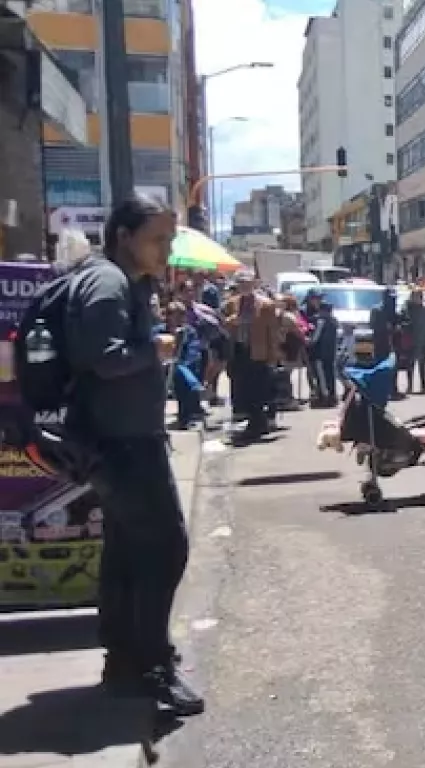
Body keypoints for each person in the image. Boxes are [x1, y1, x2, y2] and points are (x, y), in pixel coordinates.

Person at [66, 194, 203, 715]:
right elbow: (101, 358)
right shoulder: (107, 282)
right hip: (124, 445)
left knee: (127, 552)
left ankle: (124, 660)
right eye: (157, 239)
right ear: (124, 236)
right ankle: (152, 667)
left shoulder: (123, 282)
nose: (165, 249)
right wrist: (156, 350)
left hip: (121, 440)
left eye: (169, 239)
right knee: (165, 550)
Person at [221, 271, 282, 443]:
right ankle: (255, 422)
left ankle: (257, 424)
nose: (244, 286)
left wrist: (273, 355)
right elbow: (224, 325)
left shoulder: (266, 305)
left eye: (247, 283)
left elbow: (273, 332)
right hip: (239, 351)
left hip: (258, 352)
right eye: (241, 284)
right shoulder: (232, 304)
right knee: (242, 389)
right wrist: (232, 322)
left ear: (254, 284)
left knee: (257, 390)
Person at [157, 301, 206, 430]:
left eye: (181, 315)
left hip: (181, 365)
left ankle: (185, 417)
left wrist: (181, 363)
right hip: (160, 367)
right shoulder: (159, 331)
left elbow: (193, 351)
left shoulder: (189, 332)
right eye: (175, 315)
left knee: (181, 375)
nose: (179, 318)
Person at [403, 289, 425, 394]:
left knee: (422, 365)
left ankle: (423, 385)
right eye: (416, 296)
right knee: (410, 365)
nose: (418, 299)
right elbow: (403, 324)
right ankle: (409, 386)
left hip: (422, 341)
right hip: (411, 341)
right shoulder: (407, 310)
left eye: (420, 297)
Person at [308, 300, 339, 407]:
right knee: (330, 375)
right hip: (331, 353)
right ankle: (332, 396)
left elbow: (315, 338)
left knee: (322, 376)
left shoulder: (320, 321)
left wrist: (309, 342)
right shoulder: (334, 321)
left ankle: (324, 397)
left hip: (320, 354)